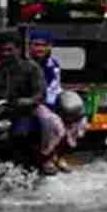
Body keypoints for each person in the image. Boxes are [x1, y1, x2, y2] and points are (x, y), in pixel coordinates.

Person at [0, 34, 52, 173]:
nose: (5, 54)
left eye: (9, 50)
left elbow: (39, 94)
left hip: (24, 113)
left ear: (18, 50)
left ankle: (46, 158)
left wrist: (22, 102)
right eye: (2, 50)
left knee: (26, 133)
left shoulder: (31, 69)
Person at [28, 31, 72, 173]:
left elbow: (55, 86)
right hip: (31, 102)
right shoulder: (25, 63)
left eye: (43, 45)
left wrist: (60, 102)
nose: (40, 48)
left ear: (50, 46)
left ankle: (60, 156)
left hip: (50, 101)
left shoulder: (53, 64)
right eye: (36, 45)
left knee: (73, 117)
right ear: (30, 46)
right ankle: (45, 158)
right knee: (49, 122)